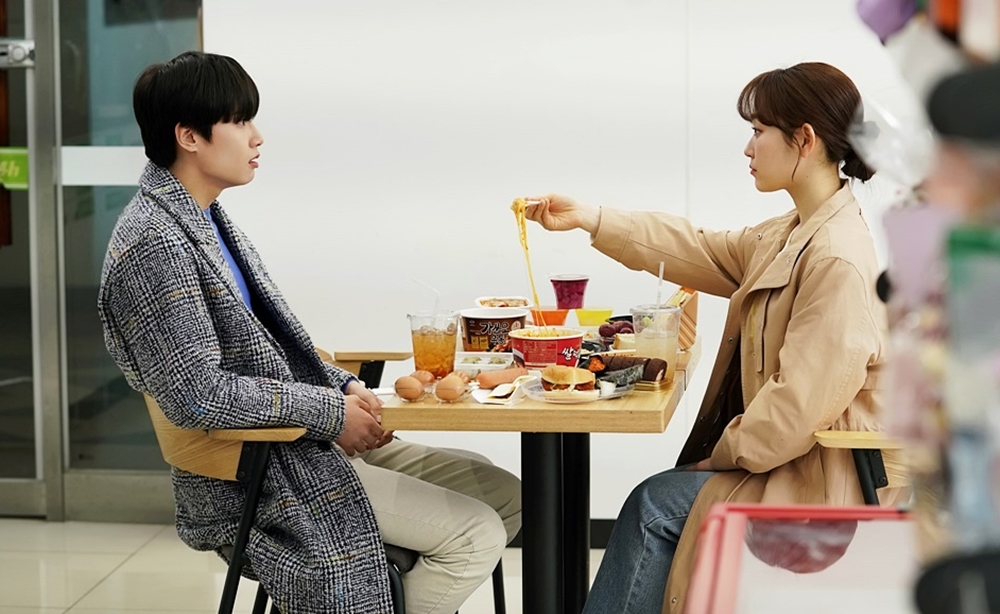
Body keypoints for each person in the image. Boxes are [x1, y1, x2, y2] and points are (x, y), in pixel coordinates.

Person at [98, 51, 520, 614]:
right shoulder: (154, 244)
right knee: (477, 533)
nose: (257, 136)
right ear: (189, 137)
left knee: (507, 495)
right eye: (239, 121)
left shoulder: (205, 219)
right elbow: (197, 393)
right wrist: (327, 412)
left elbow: (272, 351)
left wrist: (343, 388)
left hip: (297, 446)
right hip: (256, 473)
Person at [523, 62, 906, 614]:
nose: (748, 148)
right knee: (657, 498)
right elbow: (699, 247)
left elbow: (798, 407)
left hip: (823, 480)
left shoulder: (836, 258)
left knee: (654, 505)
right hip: (794, 462)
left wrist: (726, 453)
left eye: (758, 131)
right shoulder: (794, 231)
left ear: (804, 140)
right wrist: (590, 218)